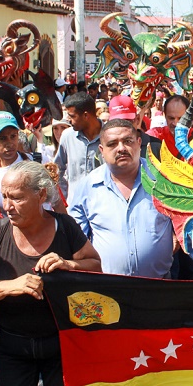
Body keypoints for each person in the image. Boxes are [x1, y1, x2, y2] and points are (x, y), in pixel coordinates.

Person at [0, 161, 101, 386]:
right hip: (13, 347)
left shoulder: (65, 226)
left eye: (16, 198)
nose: (7, 206)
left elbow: (95, 265)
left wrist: (69, 264)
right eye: (4, 196)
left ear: (41, 195)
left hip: (62, 344)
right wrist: (11, 286)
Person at [69, 119, 174, 277]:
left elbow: (187, 225)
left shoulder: (164, 180)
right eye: (112, 144)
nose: (121, 148)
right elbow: (75, 240)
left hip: (159, 286)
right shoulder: (88, 187)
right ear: (101, 150)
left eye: (128, 141)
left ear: (139, 143)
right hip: (109, 288)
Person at [53, 93, 103, 201]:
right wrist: (64, 200)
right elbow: (57, 170)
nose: (68, 120)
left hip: (103, 205)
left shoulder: (109, 136)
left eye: (72, 116)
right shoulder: (67, 136)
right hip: (75, 208)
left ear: (85, 115)